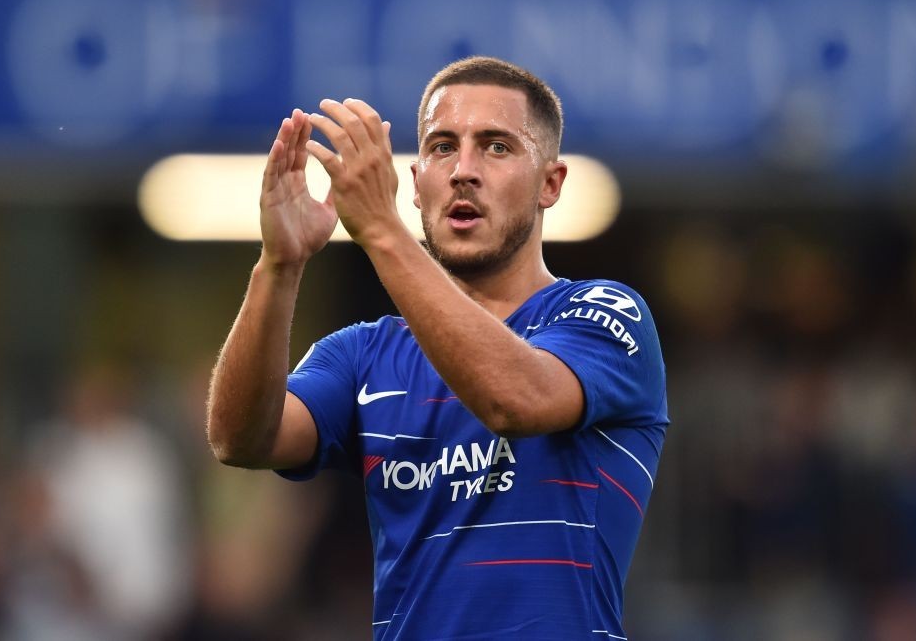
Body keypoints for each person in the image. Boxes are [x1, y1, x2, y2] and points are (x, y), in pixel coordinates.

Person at [206, 56, 669, 640]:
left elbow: (515, 399)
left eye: (496, 147)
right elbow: (240, 439)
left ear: (550, 184)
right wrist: (279, 266)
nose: (463, 171)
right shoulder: (363, 354)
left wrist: (381, 231)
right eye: (443, 147)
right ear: (417, 181)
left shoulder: (604, 314)